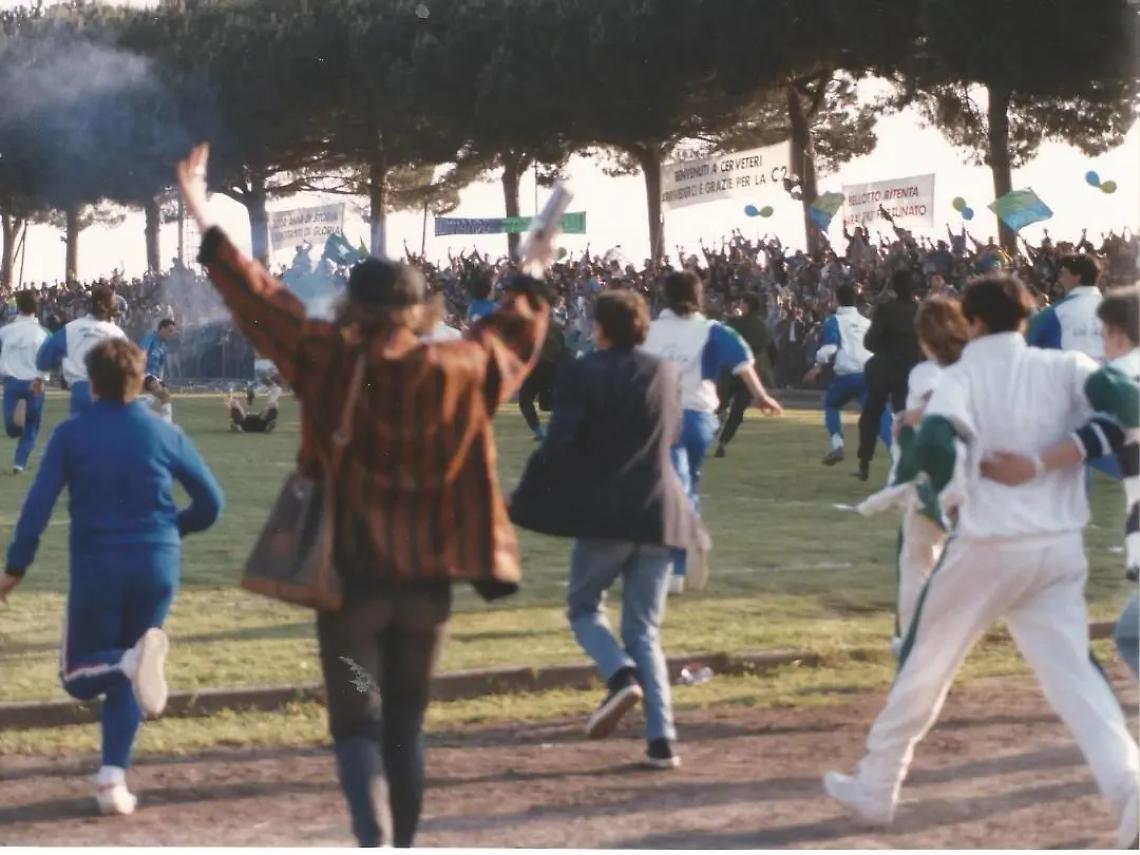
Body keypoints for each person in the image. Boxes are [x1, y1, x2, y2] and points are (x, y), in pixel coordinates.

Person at [177, 143, 553, 848]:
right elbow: (518, 329)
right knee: (406, 723)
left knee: (357, 721)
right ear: (420, 309)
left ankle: (372, 837)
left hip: (350, 579)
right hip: (429, 579)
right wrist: (534, 262)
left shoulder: (329, 356)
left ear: (355, 304)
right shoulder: (461, 365)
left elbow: (258, 297)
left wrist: (200, 206)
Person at [822, 276, 1139, 849]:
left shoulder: (960, 376)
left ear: (972, 323)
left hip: (988, 544)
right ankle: (1129, 790)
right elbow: (1128, 401)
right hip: (1059, 548)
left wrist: (948, 492)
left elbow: (939, 445)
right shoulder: (1066, 366)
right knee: (1075, 682)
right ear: (1024, 316)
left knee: (924, 665)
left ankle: (878, 784)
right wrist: (1049, 460)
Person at [0, 339, 223, 816]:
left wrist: (15, 569)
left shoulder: (71, 433)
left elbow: (36, 508)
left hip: (99, 567)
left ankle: (124, 670)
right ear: (140, 381)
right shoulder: (166, 433)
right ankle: (111, 780)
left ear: (89, 383)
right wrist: (171, 529)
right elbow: (212, 504)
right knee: (135, 662)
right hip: (158, 567)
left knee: (79, 674)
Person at [510, 290, 699, 769]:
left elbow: (559, 442)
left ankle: (619, 677)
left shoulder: (583, 372)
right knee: (645, 631)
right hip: (660, 511)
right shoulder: (665, 372)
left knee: (582, 607)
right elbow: (670, 435)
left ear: (601, 328)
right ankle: (662, 740)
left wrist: (523, 495)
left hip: (606, 513)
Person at [981, 285, 1139, 681]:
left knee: (1133, 636)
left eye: (1104, 335)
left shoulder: (1123, 373)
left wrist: (1033, 465)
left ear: (1119, 333)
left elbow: (1097, 436)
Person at [643, 270, 782, 595]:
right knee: (686, 483)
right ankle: (682, 556)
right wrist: (761, 396)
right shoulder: (712, 330)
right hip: (698, 418)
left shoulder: (649, 330)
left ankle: (673, 565)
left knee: (666, 490)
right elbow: (743, 363)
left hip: (659, 418)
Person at [855, 296, 969, 655]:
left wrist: (909, 418)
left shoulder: (926, 372)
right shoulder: (976, 368)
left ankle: (912, 638)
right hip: (981, 474)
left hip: (937, 475)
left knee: (916, 560)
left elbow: (938, 402)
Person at [804, 283, 890, 470]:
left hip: (846, 375)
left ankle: (837, 445)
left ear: (836, 299)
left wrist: (817, 366)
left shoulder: (834, 321)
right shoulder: (866, 322)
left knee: (831, 403)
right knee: (879, 413)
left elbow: (829, 348)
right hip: (868, 373)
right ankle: (896, 451)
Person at [856, 270, 922, 481]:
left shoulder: (886, 309)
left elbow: (870, 341)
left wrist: (886, 349)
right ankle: (910, 463)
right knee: (905, 417)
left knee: (871, 415)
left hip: (884, 368)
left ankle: (864, 462)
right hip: (910, 370)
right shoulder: (920, 312)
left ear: (893, 288)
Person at [35, 285, 126, 414]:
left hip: (80, 392)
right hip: (108, 393)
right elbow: (129, 367)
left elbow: (44, 359)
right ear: (105, 306)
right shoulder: (117, 333)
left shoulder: (71, 328)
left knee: (81, 432)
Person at [714, 293, 777, 459]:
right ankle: (723, 441)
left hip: (730, 371)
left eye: (741, 302)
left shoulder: (734, 323)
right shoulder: (764, 328)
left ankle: (715, 424)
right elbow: (773, 352)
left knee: (720, 404)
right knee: (738, 411)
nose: (740, 305)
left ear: (747, 305)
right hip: (752, 374)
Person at [0, 291, 50, 474]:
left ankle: (15, 430)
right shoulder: (43, 333)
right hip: (34, 382)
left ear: (18, 307)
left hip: (11, 382)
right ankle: (19, 463)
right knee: (31, 426)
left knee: (12, 427)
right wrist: (43, 377)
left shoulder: (6, 330)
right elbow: (50, 357)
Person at [1026, 253, 1104, 359]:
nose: (1059, 279)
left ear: (1076, 277)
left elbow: (1029, 339)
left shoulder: (1058, 312)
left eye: (1063, 274)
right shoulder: (1115, 311)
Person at [518, 318, 568, 441]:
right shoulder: (551, 327)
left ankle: (546, 431)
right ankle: (541, 432)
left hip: (545, 369)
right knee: (532, 401)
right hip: (541, 370)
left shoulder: (550, 328)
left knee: (546, 403)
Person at [139, 318, 177, 424]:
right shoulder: (150, 337)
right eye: (170, 330)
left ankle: (167, 424)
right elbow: (142, 353)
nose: (172, 334)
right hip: (143, 372)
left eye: (173, 331)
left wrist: (161, 378)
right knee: (157, 388)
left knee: (166, 395)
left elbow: (160, 365)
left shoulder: (164, 345)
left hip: (153, 374)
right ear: (162, 329)